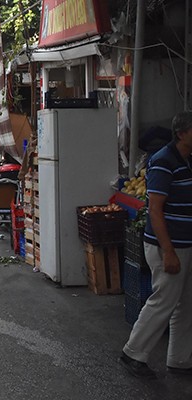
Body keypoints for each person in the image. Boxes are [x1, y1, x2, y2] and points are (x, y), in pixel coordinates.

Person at [119, 111, 192, 379]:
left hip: (186, 243)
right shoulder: (163, 161)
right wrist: (168, 251)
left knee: (186, 303)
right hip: (168, 245)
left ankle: (180, 359)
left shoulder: (186, 160)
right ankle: (133, 352)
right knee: (163, 300)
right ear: (182, 133)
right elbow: (155, 210)